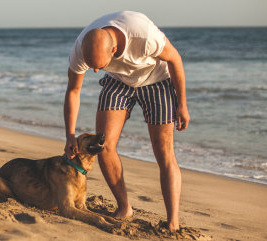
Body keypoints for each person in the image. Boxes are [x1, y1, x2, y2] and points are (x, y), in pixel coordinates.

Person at [63, 11, 190, 231]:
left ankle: (173, 223)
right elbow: (73, 91)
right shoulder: (81, 48)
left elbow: (175, 59)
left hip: (157, 79)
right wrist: (70, 134)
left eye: (99, 65)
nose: (94, 70)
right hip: (118, 82)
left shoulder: (144, 36)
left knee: (164, 152)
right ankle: (124, 207)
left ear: (113, 49)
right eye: (92, 65)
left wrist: (182, 104)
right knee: (103, 145)